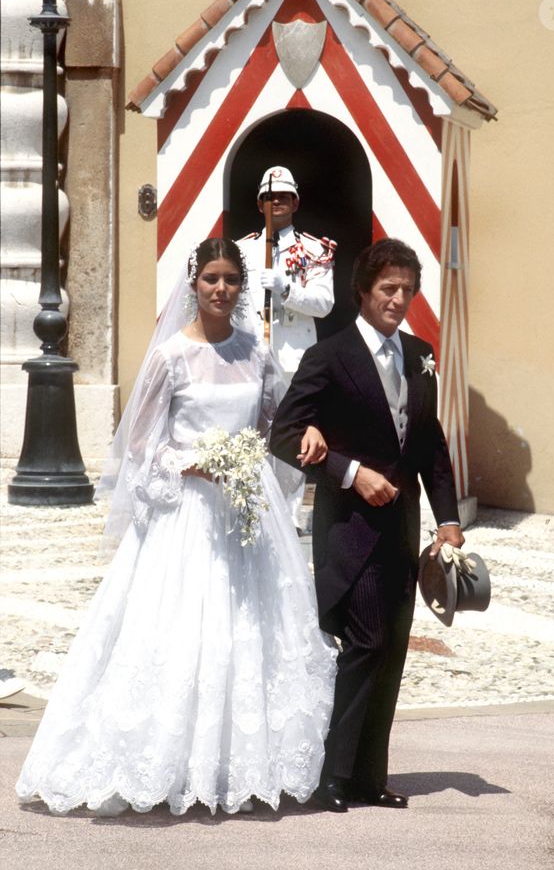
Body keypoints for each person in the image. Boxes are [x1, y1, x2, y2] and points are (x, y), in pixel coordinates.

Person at [16, 238, 337, 817]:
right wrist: (190, 464)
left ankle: (234, 765)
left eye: (231, 280)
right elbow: (140, 445)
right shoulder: (170, 357)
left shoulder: (256, 352)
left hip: (245, 510)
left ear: (242, 289)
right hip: (186, 512)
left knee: (249, 632)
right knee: (182, 631)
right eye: (211, 278)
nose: (220, 289)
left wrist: (297, 438)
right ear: (193, 285)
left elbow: (271, 426)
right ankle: (161, 763)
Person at [270, 238, 464, 813]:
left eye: (407, 289)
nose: (399, 299)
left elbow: (430, 444)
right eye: (389, 289)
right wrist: (349, 471)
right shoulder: (328, 356)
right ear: (363, 291)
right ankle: (333, 774)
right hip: (349, 529)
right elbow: (283, 434)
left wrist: (448, 519)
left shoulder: (420, 352)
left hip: (402, 532)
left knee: (392, 649)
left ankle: (368, 777)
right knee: (365, 643)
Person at [237, 166, 336, 529]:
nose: (274, 203)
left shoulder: (314, 250)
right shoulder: (242, 249)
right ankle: (254, 505)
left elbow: (324, 304)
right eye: (268, 197)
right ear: (259, 202)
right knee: (253, 430)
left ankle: (291, 511)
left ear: (295, 202)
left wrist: (286, 289)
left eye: (282, 197)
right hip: (251, 354)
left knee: (292, 432)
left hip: (294, 358)